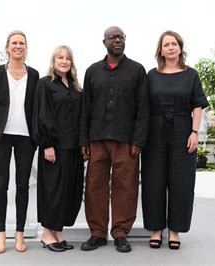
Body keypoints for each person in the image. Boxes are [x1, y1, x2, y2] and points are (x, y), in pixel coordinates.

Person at [79, 26, 150, 253]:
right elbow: (85, 109)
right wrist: (83, 141)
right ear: (104, 42)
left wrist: (138, 140)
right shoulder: (92, 72)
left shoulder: (137, 71)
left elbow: (143, 109)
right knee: (94, 186)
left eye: (121, 37)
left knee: (126, 186)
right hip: (96, 139)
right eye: (113, 37)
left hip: (126, 141)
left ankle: (120, 233)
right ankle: (97, 233)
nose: (117, 40)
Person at [141, 30, 209, 250]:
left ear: (180, 47)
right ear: (160, 50)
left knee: (181, 183)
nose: (170, 47)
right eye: (166, 44)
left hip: (182, 131)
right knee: (154, 182)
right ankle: (156, 229)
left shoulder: (191, 75)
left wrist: (194, 132)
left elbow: (197, 105)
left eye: (174, 44)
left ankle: (175, 231)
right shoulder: (151, 75)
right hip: (154, 133)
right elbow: (143, 106)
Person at [0, 30, 39, 254]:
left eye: (22, 43)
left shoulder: (33, 74)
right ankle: (1, 234)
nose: (18, 46)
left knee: (23, 184)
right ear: (7, 47)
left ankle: (20, 235)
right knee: (2, 183)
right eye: (14, 43)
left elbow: (37, 106)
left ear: (26, 47)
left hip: (26, 136)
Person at [33, 45, 84, 252]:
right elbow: (42, 114)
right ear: (53, 61)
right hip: (54, 146)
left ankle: (58, 230)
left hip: (73, 147)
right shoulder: (45, 84)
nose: (64, 61)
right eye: (60, 58)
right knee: (52, 190)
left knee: (68, 190)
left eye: (68, 58)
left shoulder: (75, 87)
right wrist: (47, 144)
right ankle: (47, 233)